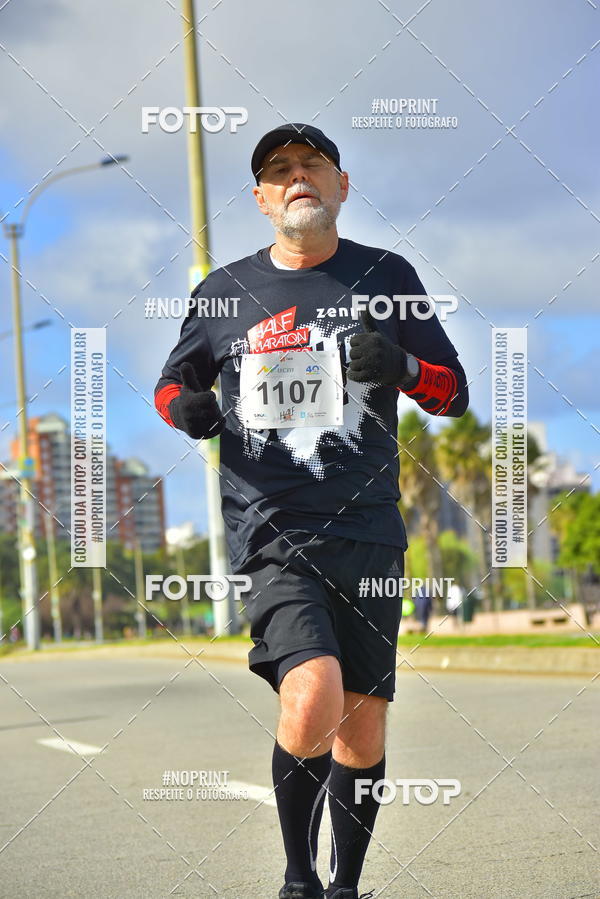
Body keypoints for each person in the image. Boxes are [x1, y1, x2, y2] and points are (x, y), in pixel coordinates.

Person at [154, 123, 469, 899]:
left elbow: (453, 392)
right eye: (279, 170)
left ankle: (343, 886)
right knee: (314, 692)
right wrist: (188, 409)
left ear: (341, 186)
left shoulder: (386, 274)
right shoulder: (223, 293)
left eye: (312, 165)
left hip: (369, 535)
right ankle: (298, 880)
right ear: (262, 199)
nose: (297, 177)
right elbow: (172, 387)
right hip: (272, 533)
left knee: (362, 727)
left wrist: (401, 365)